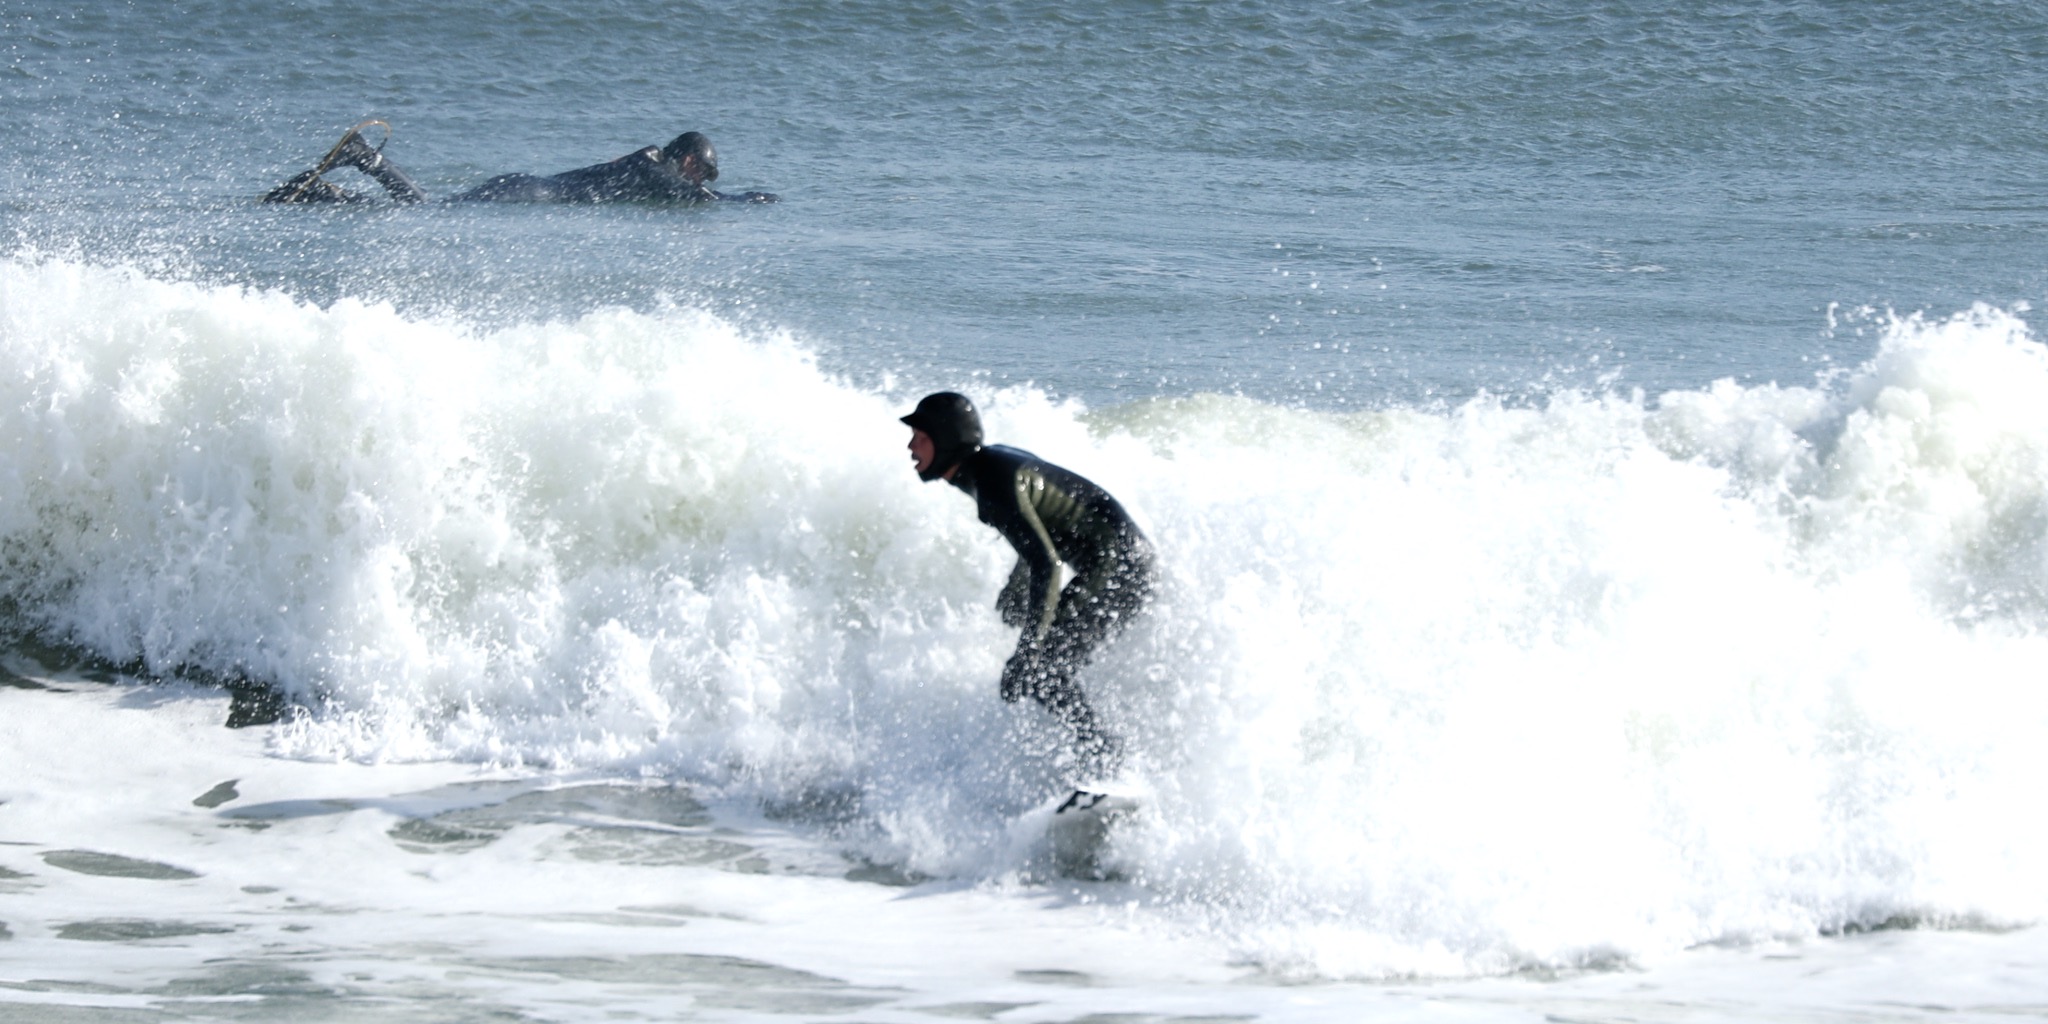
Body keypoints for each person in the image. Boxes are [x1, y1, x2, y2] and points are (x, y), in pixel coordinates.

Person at [900, 392, 1155, 778]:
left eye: (920, 437)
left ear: (946, 440)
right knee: (1043, 659)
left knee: (1041, 668)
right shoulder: (986, 467)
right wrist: (1016, 586)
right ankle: (1105, 757)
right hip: (1117, 566)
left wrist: (1027, 650)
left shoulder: (992, 480)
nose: (911, 447)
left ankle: (1108, 762)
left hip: (1122, 570)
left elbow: (1047, 564)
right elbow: (1039, 531)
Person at [264, 121, 777, 205]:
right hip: (527, 193)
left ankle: (326, 197)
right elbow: (686, 195)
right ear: (686, 159)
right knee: (428, 211)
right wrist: (736, 200)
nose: (698, 181)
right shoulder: (652, 165)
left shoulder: (649, 163)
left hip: (526, 188)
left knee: (430, 208)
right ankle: (363, 157)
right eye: (701, 172)